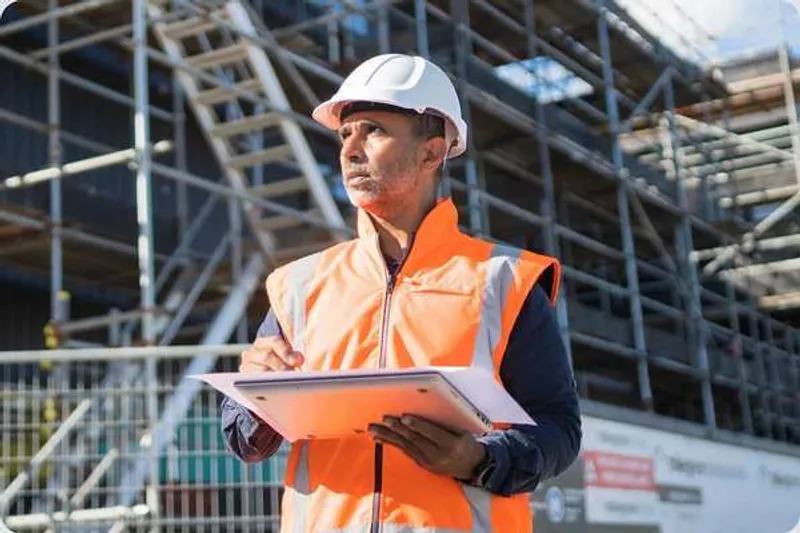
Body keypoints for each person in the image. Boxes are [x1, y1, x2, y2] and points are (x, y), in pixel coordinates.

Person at [221, 53, 581, 533]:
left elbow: (558, 428)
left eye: (373, 130)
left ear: (432, 154)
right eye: (345, 134)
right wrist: (254, 397)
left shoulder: (505, 281)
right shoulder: (298, 285)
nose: (351, 149)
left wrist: (479, 459)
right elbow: (243, 439)